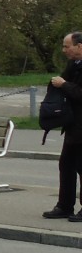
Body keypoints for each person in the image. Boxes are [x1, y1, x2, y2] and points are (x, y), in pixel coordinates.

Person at [43, 31, 82, 220]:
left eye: (67, 46)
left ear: (79, 46)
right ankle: (64, 205)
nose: (64, 50)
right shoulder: (73, 65)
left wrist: (63, 84)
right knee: (66, 165)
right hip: (73, 125)